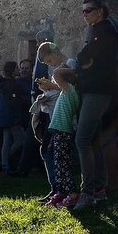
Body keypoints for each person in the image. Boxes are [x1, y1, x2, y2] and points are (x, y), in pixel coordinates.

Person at [71, 0, 118, 211]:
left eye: (88, 11)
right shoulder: (101, 30)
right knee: (94, 140)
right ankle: (99, 189)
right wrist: (84, 64)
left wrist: (83, 65)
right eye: (83, 11)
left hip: (97, 92)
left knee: (82, 139)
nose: (84, 15)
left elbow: (84, 58)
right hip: (97, 90)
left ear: (100, 12)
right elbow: (85, 60)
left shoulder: (103, 31)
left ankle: (87, 192)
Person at [33, 41, 76, 203]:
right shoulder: (57, 69)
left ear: (55, 52)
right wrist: (47, 88)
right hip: (56, 115)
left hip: (64, 117)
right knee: (49, 151)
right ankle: (58, 189)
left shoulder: (69, 64)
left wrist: (51, 85)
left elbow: (71, 88)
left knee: (53, 152)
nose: (50, 64)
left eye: (49, 60)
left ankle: (62, 190)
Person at [43, 67, 81, 208]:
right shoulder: (67, 91)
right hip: (60, 131)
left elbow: (56, 73)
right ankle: (62, 191)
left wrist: (71, 69)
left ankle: (72, 193)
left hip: (63, 131)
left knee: (63, 164)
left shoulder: (69, 90)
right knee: (58, 163)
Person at [0, 61, 30, 172]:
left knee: (7, 141)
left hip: (4, 117)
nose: (19, 70)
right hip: (12, 118)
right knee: (22, 140)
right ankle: (2, 161)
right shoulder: (11, 85)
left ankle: (4, 165)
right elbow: (15, 102)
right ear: (11, 70)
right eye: (16, 68)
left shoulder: (4, 84)